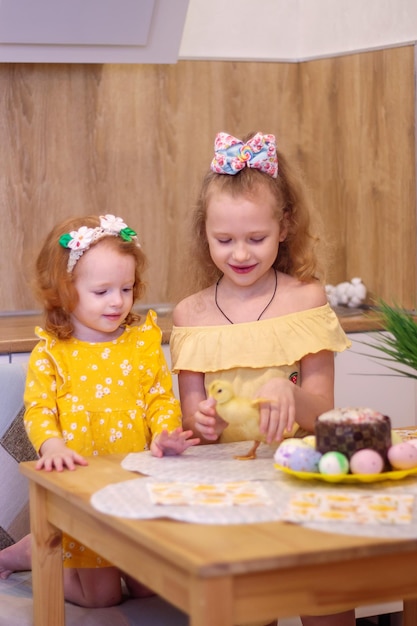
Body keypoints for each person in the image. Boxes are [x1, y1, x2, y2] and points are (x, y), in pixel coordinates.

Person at [170, 132, 355, 626]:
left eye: (257, 238)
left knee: (326, 604)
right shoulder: (190, 315)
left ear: (285, 226)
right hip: (229, 496)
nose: (240, 253)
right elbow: (191, 416)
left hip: (302, 485)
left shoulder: (307, 299)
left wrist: (292, 396)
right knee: (246, 612)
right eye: (224, 240)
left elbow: (325, 416)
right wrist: (201, 423)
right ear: (203, 232)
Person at [0, 213, 199, 607]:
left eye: (126, 288)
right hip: (83, 496)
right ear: (64, 291)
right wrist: (51, 444)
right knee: (102, 598)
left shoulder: (141, 344)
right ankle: (33, 554)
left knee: (149, 587)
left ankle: (42, 548)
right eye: (102, 291)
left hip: (135, 488)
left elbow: (160, 398)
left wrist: (165, 431)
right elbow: (38, 411)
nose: (117, 301)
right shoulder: (51, 354)